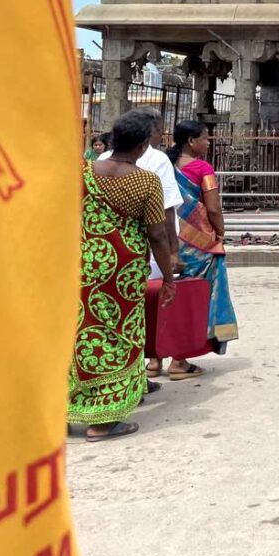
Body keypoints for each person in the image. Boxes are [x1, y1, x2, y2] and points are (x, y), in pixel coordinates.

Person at [71, 111, 175, 440]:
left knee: (79, 331)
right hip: (124, 270)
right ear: (144, 146)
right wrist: (170, 277)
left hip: (83, 263)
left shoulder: (84, 172)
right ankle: (103, 420)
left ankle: (64, 409)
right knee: (119, 335)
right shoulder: (146, 181)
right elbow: (157, 234)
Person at [166, 120, 240, 376]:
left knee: (166, 296)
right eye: (206, 138)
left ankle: (154, 361)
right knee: (195, 300)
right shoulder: (202, 168)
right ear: (191, 141)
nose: (209, 143)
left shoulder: (166, 165)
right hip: (199, 246)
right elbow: (213, 208)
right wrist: (219, 233)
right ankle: (179, 359)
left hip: (168, 241)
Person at [98, 108, 182, 282]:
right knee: (133, 308)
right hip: (132, 262)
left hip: (95, 257)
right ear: (142, 145)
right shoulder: (149, 176)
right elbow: (159, 228)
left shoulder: (90, 169)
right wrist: (172, 257)